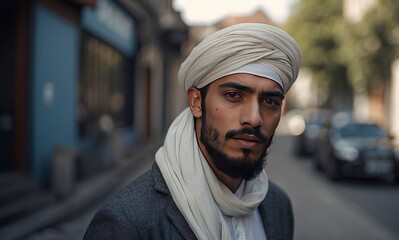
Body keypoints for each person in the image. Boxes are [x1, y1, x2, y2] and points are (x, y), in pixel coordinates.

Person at [83, 23, 301, 240]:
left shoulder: (278, 206)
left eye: (270, 101)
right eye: (234, 95)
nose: (254, 118)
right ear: (196, 102)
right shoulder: (127, 221)